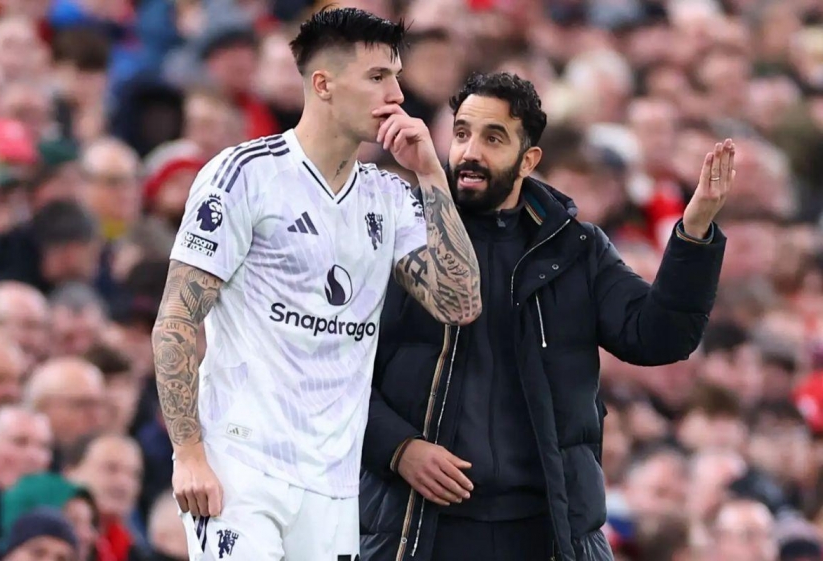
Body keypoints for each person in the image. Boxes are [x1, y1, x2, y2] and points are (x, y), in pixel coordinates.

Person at [152, 7, 481, 561]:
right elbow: (177, 319)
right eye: (377, 76)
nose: (397, 94)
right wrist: (188, 453)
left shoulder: (388, 194)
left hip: (334, 482)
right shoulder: (245, 175)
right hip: (242, 467)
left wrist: (430, 175)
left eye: (396, 76)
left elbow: (460, 302)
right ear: (323, 84)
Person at [359, 72, 732, 561]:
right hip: (419, 525)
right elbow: (336, 367)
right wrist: (398, 448)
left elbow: (659, 336)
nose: (470, 152)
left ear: (528, 159)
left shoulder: (575, 248)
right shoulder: (400, 232)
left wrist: (695, 230)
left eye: (493, 138)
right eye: (463, 133)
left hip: (548, 530)